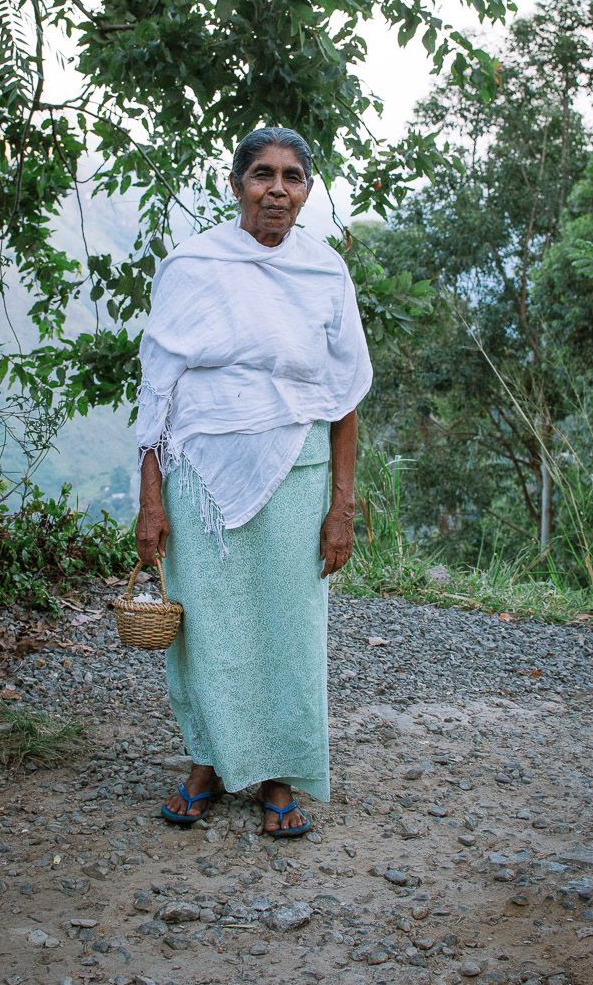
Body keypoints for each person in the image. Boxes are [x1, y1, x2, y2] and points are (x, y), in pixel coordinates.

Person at [134, 126, 372, 837]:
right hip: (200, 476)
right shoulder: (193, 265)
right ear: (236, 183)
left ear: (307, 189)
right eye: (262, 174)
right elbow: (157, 389)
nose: (277, 188)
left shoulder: (325, 272)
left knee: (289, 630)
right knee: (205, 630)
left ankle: (276, 775)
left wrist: (341, 509)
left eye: (292, 176)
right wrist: (150, 499)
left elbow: (345, 396)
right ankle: (207, 764)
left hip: (296, 475)